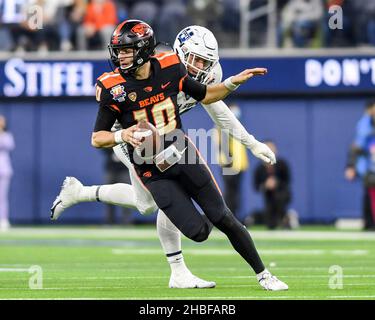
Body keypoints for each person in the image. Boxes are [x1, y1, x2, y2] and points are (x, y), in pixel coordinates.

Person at [52, 23, 287, 290]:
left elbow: (215, 107)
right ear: (181, 52)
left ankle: (82, 193)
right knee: (149, 204)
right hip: (133, 138)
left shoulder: (180, 71)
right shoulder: (146, 71)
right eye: (196, 59)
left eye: (206, 61)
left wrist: (251, 142)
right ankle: (177, 270)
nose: (201, 66)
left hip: (169, 137)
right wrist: (124, 134)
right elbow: (100, 131)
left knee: (159, 203)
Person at [214, 103, 249, 219]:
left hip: (239, 164)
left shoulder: (237, 126)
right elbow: (222, 145)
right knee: (230, 193)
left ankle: (234, 218)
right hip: (229, 164)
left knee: (235, 193)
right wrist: (229, 162)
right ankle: (228, 218)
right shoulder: (221, 125)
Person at [345, 99, 375, 231]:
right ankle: (369, 222)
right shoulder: (365, 124)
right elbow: (356, 147)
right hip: (368, 166)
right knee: (369, 194)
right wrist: (351, 165)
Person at [253, 140, 292, 230]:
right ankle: (278, 218)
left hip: (282, 194)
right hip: (268, 198)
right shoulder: (259, 169)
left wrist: (276, 182)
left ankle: (284, 218)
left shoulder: (282, 165)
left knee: (279, 198)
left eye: (271, 148)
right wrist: (265, 185)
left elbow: (287, 181)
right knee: (270, 225)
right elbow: (256, 187)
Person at [102, 146, 133, 224]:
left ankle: (127, 221)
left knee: (126, 196)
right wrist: (114, 151)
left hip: (125, 170)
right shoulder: (111, 136)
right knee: (107, 196)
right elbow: (102, 146)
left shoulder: (127, 135)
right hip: (111, 170)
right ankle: (109, 221)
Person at [0, 115, 15, 231]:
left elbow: (9, 145)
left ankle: (3, 219)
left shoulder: (7, 136)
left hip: (4, 170)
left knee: (2, 196)